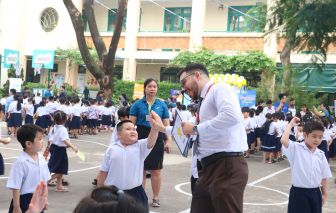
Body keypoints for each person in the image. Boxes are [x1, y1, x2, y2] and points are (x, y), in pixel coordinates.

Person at [152, 63, 248, 212]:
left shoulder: (219, 88)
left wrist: (196, 129)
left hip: (226, 165)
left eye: (184, 82)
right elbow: (187, 129)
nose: (183, 89)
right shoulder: (203, 102)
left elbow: (232, 116)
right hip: (206, 169)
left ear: (197, 75)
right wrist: (162, 128)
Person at [98, 116, 162, 210]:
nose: (133, 131)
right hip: (113, 192)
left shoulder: (140, 146)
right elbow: (104, 170)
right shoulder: (111, 149)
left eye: (134, 129)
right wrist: (99, 187)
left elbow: (151, 140)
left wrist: (154, 128)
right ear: (119, 134)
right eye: (128, 129)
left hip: (135, 192)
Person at [129, 78, 172, 207]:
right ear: (145, 88)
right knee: (140, 169)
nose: (152, 88)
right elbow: (131, 124)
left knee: (156, 169)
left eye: (154, 86)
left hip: (157, 137)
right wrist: (130, 141)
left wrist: (168, 141)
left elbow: (166, 124)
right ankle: (141, 197)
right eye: (149, 86)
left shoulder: (162, 105)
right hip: (140, 137)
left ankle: (155, 197)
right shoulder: (137, 104)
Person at [281, 117, 332, 213]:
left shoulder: (320, 154)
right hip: (299, 193)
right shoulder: (296, 148)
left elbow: (323, 176)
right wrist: (290, 125)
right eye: (314, 136)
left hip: (316, 193)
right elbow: (284, 141)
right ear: (305, 135)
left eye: (320, 137)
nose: (317, 140)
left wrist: (324, 194)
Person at [6, 124, 51, 213]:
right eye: (39, 139)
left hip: (38, 199)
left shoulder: (41, 159)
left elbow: (44, 181)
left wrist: (45, 199)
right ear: (28, 143)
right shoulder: (20, 163)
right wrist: (16, 207)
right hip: (24, 200)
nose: (42, 141)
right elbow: (16, 187)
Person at [47, 110, 78, 192]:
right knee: (62, 169)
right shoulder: (63, 129)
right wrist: (73, 146)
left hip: (53, 148)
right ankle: (47, 180)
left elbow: (49, 138)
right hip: (60, 150)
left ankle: (59, 186)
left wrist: (47, 146)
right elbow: (64, 139)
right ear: (65, 120)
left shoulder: (54, 128)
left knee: (59, 168)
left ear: (55, 120)